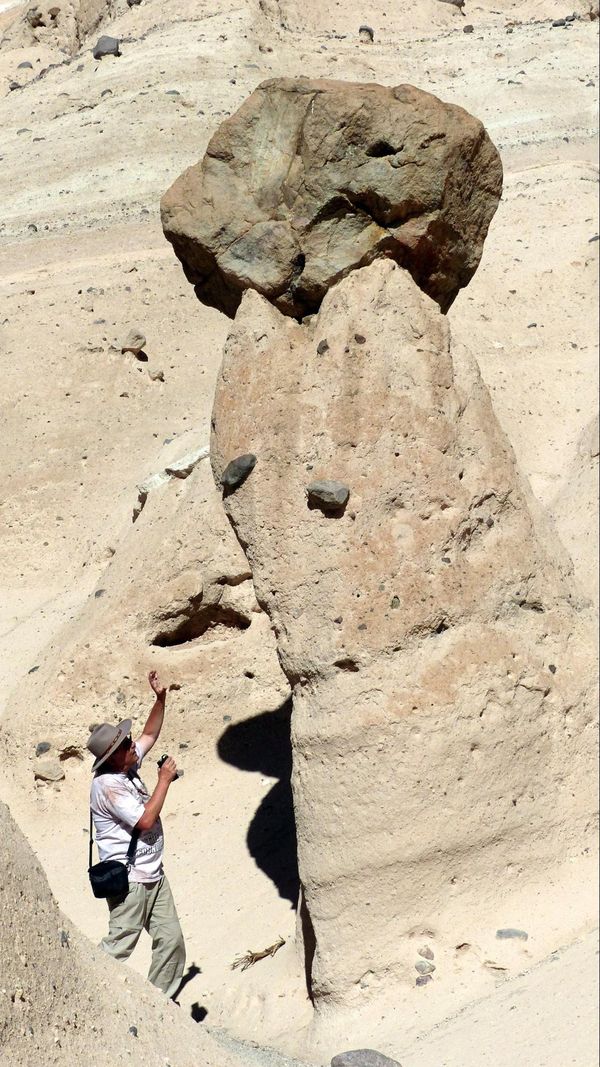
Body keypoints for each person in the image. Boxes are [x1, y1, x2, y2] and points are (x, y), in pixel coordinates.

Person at [86, 670, 185, 998]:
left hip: (153, 876)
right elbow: (144, 821)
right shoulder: (108, 786)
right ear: (113, 755)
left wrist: (160, 700)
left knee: (170, 941)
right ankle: (89, 992)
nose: (133, 745)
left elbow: (149, 733)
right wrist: (164, 781)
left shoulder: (124, 765)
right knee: (119, 946)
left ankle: (160, 1007)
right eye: (126, 744)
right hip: (129, 882)